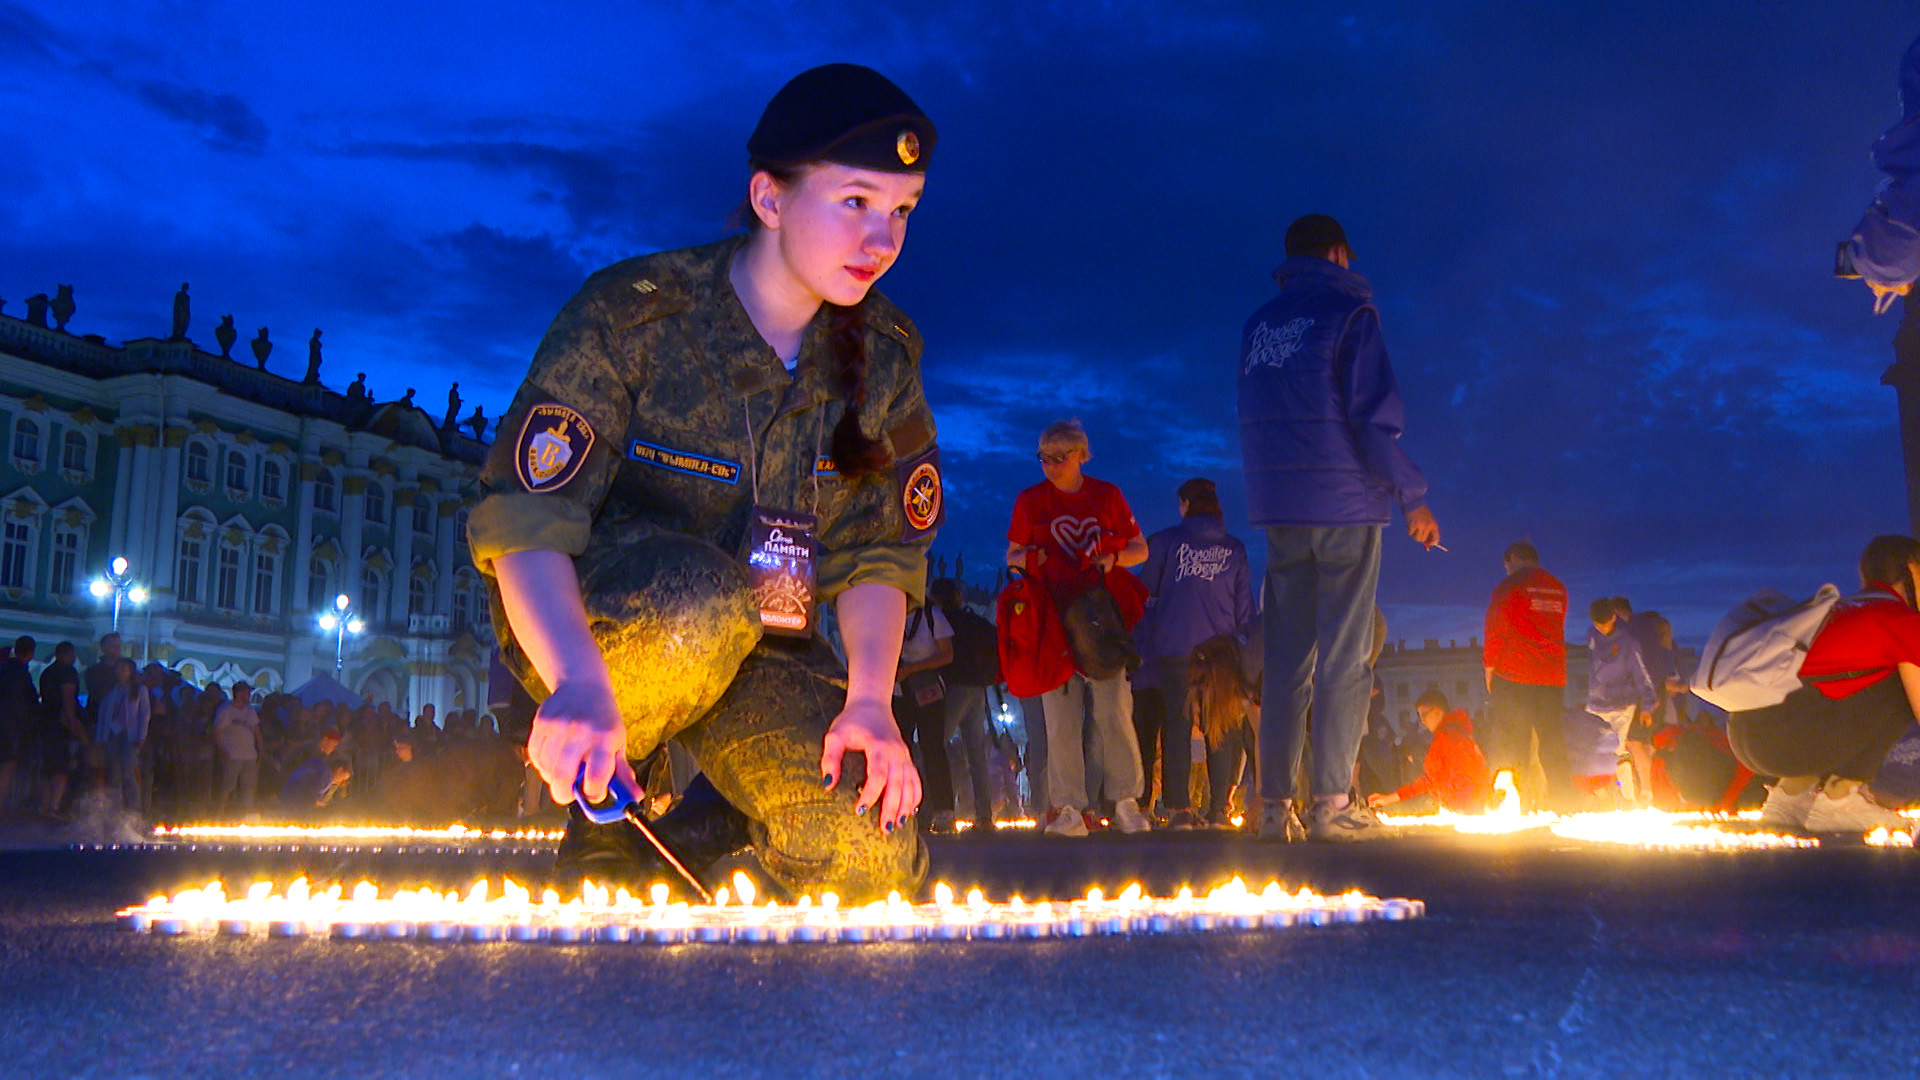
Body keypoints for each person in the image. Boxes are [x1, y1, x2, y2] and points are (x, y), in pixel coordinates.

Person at [467, 63, 941, 901]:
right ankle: (604, 810)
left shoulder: (886, 361)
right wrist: (577, 678)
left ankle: (706, 820)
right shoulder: (635, 318)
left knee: (868, 858)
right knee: (701, 603)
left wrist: (870, 702)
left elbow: (879, 557)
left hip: (769, 646)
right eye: (855, 202)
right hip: (605, 637)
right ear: (769, 199)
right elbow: (527, 522)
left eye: (902, 209)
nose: (884, 240)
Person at [1236, 213, 1441, 842]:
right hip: (1345, 506)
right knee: (1346, 659)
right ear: (1335, 254)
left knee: (1287, 660)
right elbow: (1371, 418)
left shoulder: (1258, 326)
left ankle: (1274, 808)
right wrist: (1412, 497)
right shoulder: (1350, 315)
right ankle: (1331, 803)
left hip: (1281, 508)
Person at [1005, 419, 1151, 836]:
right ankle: (1068, 805)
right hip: (1052, 617)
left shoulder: (1107, 496)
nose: (1050, 466)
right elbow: (1012, 554)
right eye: (1044, 458)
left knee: (1113, 710)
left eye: (1059, 457)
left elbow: (1139, 548)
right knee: (1061, 717)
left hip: (1100, 616)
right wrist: (1035, 562)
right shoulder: (1031, 500)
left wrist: (1112, 561)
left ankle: (1125, 799)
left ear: (1081, 456)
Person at [1728, 535, 1920, 833]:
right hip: (1792, 740)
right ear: (1912, 571)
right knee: (1902, 683)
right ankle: (1841, 799)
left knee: (1842, 688)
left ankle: (1791, 798)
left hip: (1746, 733)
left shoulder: (1840, 609)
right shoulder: (1900, 619)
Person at [1132, 477, 1254, 829]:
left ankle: (1180, 809)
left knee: (1177, 724)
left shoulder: (1167, 541)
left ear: (1185, 504)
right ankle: (1218, 810)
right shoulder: (1236, 549)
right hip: (1220, 650)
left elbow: (1145, 590)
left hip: (1175, 645)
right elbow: (1243, 608)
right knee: (1220, 728)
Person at [1481, 541, 1571, 810]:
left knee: (1515, 741)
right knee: (1552, 740)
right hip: (1552, 676)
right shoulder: (1558, 587)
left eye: (1507, 564)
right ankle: (1563, 803)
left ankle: (1520, 805)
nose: (1506, 570)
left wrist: (1489, 669)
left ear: (1514, 559)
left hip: (1514, 675)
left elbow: (1495, 629)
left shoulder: (1509, 587)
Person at [928, 577, 997, 831]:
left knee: (935, 747)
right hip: (978, 689)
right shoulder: (974, 621)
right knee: (977, 755)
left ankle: (934, 810)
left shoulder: (941, 620)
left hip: (952, 688)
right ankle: (984, 816)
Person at [1368, 689, 1491, 815]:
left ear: (1437, 712)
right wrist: (1389, 798)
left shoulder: (1448, 738)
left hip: (1464, 811)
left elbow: (1461, 777)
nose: (1422, 721)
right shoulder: (1458, 733)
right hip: (1468, 809)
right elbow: (1431, 779)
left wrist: (1460, 809)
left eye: (1424, 714)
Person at [1586, 598, 1658, 806]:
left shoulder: (1628, 642)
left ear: (1613, 617)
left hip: (1622, 704)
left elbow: (1641, 673)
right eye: (1598, 624)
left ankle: (1630, 799)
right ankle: (1601, 796)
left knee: (1619, 750)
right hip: (1596, 703)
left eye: (1605, 623)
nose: (1602, 628)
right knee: (1593, 750)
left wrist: (1647, 705)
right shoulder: (1591, 636)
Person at [894, 599, 954, 832]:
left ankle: (943, 810)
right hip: (898, 691)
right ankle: (907, 806)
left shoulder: (932, 615)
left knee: (932, 748)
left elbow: (947, 654)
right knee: (902, 749)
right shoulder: (889, 613)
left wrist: (912, 668)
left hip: (928, 690)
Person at [94, 657, 151, 814]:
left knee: (128, 771)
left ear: (130, 671)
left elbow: (144, 714)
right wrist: (100, 738)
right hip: (113, 734)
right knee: (114, 772)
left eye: (124, 669)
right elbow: (103, 715)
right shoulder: (112, 690)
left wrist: (141, 735)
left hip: (130, 734)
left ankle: (134, 810)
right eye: (118, 669)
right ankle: (115, 809)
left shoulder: (139, 690)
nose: (120, 672)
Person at [35, 641, 82, 818]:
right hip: (60, 724)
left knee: (47, 767)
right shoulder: (67, 672)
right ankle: (54, 806)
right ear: (68, 654)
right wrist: (74, 723)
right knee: (61, 768)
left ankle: (44, 806)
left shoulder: (47, 672)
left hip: (45, 722)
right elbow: (68, 699)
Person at [212, 682, 264, 818]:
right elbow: (217, 731)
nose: (249, 695)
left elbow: (256, 731)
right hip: (232, 755)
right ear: (239, 693)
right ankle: (219, 814)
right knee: (227, 786)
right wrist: (221, 750)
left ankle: (246, 816)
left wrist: (260, 749)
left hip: (249, 755)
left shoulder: (250, 711)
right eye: (247, 692)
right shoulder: (225, 710)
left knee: (249, 787)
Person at [0, 636, 36, 814]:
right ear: (30, 653)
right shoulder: (22, 674)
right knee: (7, 765)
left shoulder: (4, 668)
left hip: (6, 723)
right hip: (11, 727)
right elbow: (28, 702)